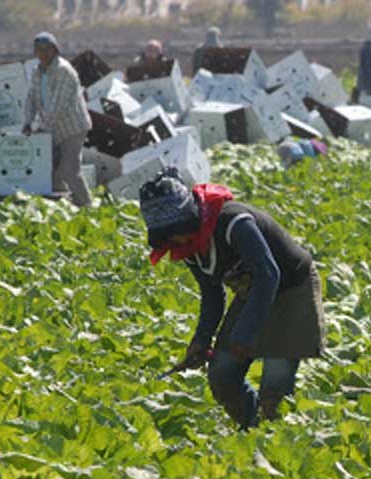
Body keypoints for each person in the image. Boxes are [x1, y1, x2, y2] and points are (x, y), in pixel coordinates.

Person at [139, 168, 326, 429]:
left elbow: (268, 275)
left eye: (176, 231)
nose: (175, 239)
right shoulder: (187, 245)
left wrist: (245, 335)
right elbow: (212, 294)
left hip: (292, 290)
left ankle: (273, 440)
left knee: (275, 387)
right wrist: (202, 339)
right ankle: (253, 429)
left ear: (189, 218)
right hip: (252, 293)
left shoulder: (233, 222)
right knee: (222, 375)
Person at [24, 32, 93, 208]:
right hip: (52, 127)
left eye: (47, 50)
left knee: (69, 170)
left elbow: (58, 106)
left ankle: (87, 206)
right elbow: (31, 98)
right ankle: (65, 204)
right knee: (50, 170)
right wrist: (27, 122)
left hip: (72, 127)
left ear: (55, 50)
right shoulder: (37, 71)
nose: (43, 54)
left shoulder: (63, 70)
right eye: (39, 50)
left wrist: (40, 127)